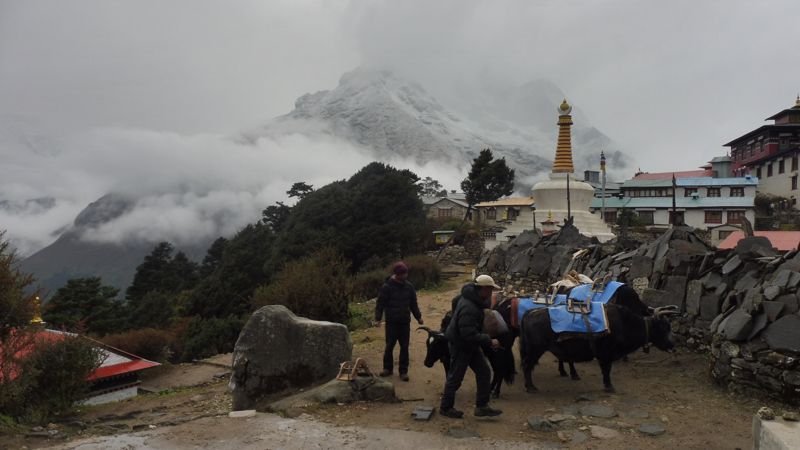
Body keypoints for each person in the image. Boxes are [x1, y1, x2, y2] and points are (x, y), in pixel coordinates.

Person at [440, 274, 503, 418]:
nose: (492, 293)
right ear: (485, 289)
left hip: (470, 345)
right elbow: (467, 334)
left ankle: (482, 406)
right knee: (455, 377)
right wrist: (489, 340)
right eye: (491, 289)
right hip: (461, 345)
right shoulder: (470, 308)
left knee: (484, 372)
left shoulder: (471, 299)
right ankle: (445, 407)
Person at [374, 261, 423, 381]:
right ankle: (387, 368)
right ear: (397, 274)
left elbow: (413, 304)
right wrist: (378, 318)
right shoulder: (387, 287)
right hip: (391, 322)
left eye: (406, 273)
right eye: (403, 274)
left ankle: (403, 371)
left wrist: (418, 317)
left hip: (404, 322)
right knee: (389, 346)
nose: (405, 276)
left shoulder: (409, 287)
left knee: (404, 347)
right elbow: (380, 304)